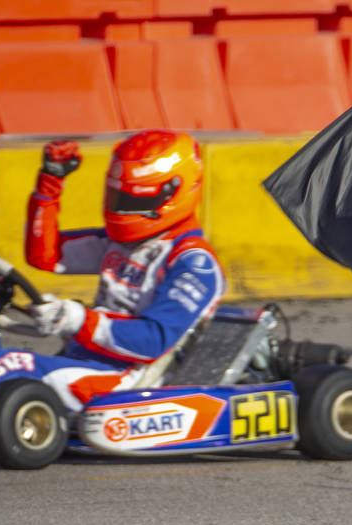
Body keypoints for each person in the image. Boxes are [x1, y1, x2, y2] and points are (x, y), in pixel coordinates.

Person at [22, 129, 226, 410]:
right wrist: (49, 184)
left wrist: (76, 319)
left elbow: (154, 341)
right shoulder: (118, 244)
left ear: (175, 191)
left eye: (136, 202)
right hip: (85, 358)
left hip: (127, 378)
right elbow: (44, 256)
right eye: (120, 200)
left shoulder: (193, 263)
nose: (124, 211)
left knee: (11, 370)